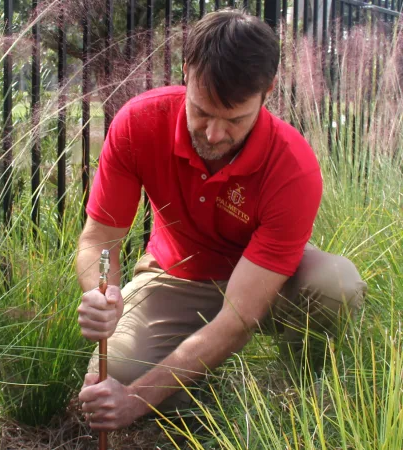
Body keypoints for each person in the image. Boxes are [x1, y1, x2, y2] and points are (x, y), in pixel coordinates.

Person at [75, 10, 367, 432]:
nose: (213, 135)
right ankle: (198, 381)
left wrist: (135, 402)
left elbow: (240, 316)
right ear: (186, 71)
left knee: (335, 285)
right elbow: (98, 239)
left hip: (266, 282)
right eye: (202, 112)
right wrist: (103, 292)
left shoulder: (292, 166)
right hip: (176, 275)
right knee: (116, 374)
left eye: (234, 120)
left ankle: (299, 393)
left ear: (267, 91)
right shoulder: (140, 122)